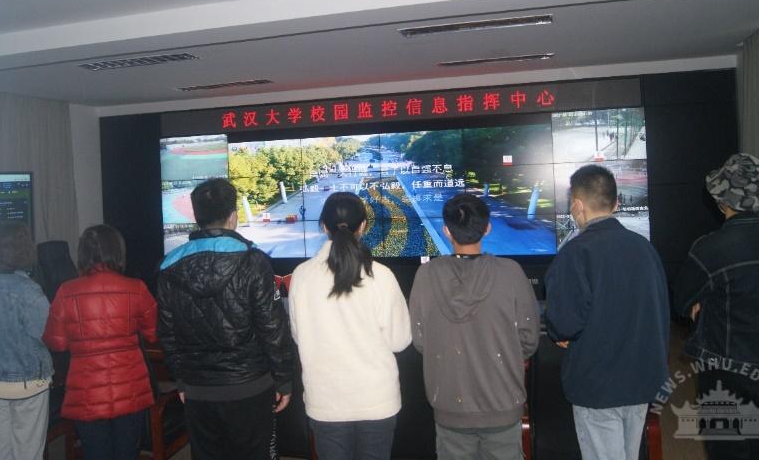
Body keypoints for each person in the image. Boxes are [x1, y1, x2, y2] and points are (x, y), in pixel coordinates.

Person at [157, 177, 295, 460]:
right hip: (251, 387)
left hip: (198, 390)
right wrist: (284, 380)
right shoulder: (254, 261)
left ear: (197, 218)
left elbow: (167, 333)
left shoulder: (168, 267)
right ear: (233, 216)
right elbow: (272, 327)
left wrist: (180, 381)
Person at [545, 165, 669, 460]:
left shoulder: (575, 253)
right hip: (641, 379)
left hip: (597, 385)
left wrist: (559, 332)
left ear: (577, 205)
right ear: (615, 204)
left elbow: (564, 323)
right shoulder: (644, 248)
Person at [673, 153, 759, 460]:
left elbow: (682, 300)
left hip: (724, 368)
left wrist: (700, 303)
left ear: (722, 199)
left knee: (726, 447)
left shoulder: (710, 247)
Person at [409, 193, 540, 460]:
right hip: (503, 403)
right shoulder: (511, 272)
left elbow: (420, 340)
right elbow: (529, 339)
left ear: (447, 231)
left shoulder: (426, 274)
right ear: (487, 228)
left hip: (450, 406)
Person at [288, 192, 411, 460]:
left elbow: (299, 336)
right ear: (363, 225)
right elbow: (400, 340)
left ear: (323, 226)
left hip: (326, 402)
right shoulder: (381, 276)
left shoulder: (301, 275)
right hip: (377, 400)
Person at [43, 224, 157, 460]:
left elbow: (57, 343)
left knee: (95, 453)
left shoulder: (66, 291)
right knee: (127, 453)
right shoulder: (136, 288)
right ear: (118, 251)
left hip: (87, 393)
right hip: (130, 388)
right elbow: (154, 333)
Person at [0, 223, 53, 460]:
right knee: (28, 448)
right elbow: (49, 333)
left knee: (2, 446)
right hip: (28, 381)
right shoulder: (30, 290)